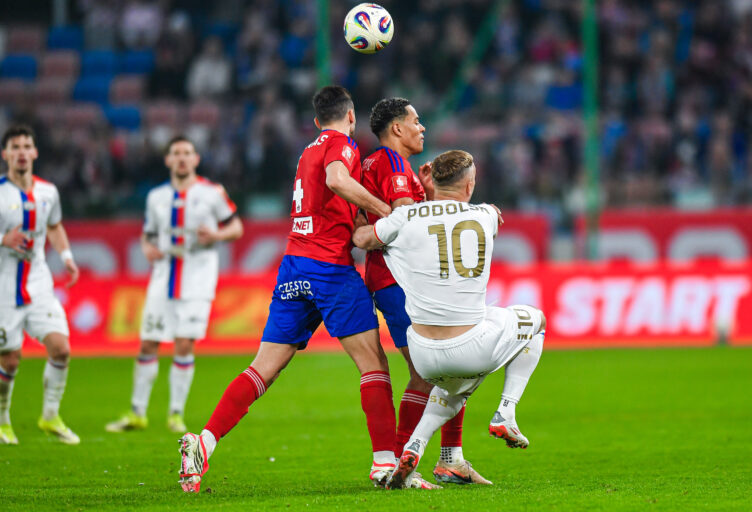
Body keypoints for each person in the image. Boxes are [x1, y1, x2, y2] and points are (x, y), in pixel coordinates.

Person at [178, 85, 403, 493]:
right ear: (350, 117)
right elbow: (337, 181)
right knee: (374, 365)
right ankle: (385, 463)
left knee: (263, 368)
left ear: (316, 120)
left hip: (293, 266)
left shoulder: (307, 151)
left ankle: (203, 443)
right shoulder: (343, 147)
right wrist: (384, 211)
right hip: (329, 268)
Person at [352, 150, 546, 489]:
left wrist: (356, 215)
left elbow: (363, 239)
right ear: (470, 184)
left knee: (456, 385)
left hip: (424, 352)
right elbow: (464, 217)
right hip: (470, 344)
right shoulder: (486, 214)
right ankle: (507, 411)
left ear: (432, 181)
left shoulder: (406, 217)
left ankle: (415, 448)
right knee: (536, 321)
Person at [360, 98, 490, 486]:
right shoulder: (393, 164)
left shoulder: (379, 164)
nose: (423, 128)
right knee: (428, 372)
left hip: (397, 279)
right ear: (397, 128)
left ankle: (448, 458)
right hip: (398, 280)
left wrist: (427, 190)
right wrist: (430, 195)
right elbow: (406, 224)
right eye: (416, 121)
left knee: (447, 368)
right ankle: (407, 463)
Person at [106, 136, 243, 434]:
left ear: (196, 159)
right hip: (164, 274)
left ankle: (175, 414)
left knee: (184, 342)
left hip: (198, 275)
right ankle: (137, 412)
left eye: (187, 153)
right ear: (168, 160)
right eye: (176, 153)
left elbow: (236, 226)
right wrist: (147, 247)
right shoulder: (156, 197)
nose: (182, 158)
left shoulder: (212, 192)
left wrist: (217, 236)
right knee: (148, 342)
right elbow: (148, 234)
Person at [0, 125, 81, 445]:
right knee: (9, 359)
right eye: (15, 147)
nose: (22, 152)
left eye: (27, 145)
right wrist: (3, 239)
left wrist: (66, 256)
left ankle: (50, 416)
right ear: (5, 154)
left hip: (38, 284)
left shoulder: (48, 192)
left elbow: (54, 226)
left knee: (61, 349)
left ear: (35, 152)